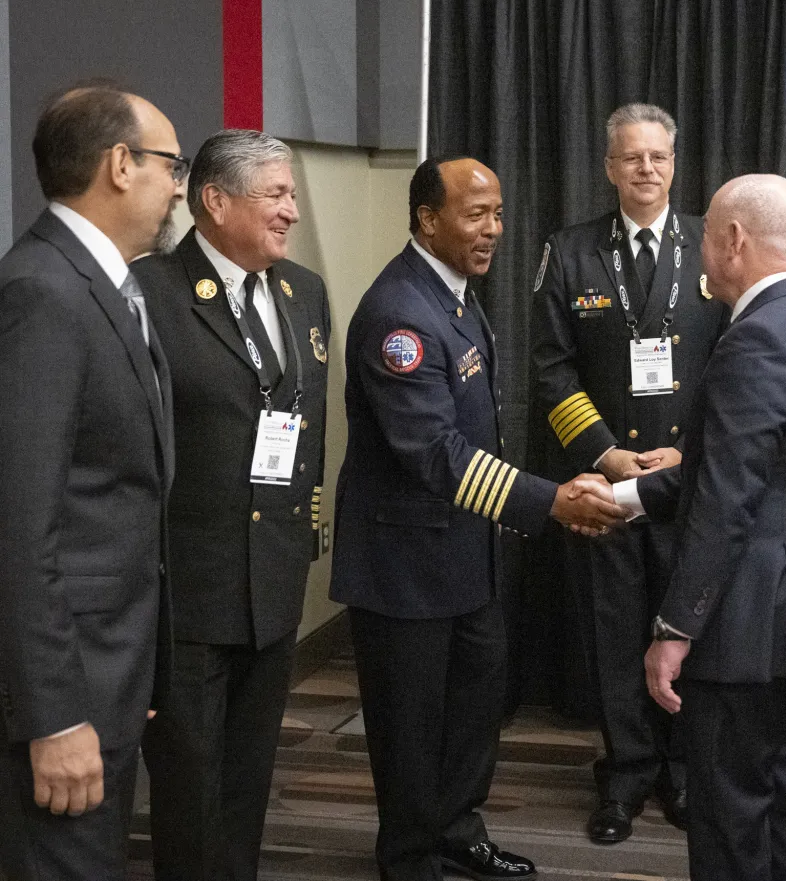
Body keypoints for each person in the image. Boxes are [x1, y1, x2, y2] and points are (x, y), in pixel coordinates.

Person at [330, 155, 627, 881]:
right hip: (405, 571)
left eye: (497, 213)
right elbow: (434, 452)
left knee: (470, 715)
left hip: (468, 555)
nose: (493, 229)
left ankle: (458, 831)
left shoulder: (454, 295)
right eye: (475, 214)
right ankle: (407, 860)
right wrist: (550, 500)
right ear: (428, 219)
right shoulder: (401, 313)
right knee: (411, 730)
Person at [620, 174, 786, 881]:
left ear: (733, 240)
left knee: (731, 817)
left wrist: (674, 627)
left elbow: (728, 501)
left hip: (747, 621)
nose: (699, 254)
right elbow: (774, 473)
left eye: (703, 239)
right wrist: (630, 496)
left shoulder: (753, 340)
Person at [133, 129, 328, 881]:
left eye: (290, 193)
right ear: (214, 200)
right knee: (189, 787)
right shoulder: (148, 292)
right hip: (186, 592)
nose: (291, 212)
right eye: (275, 194)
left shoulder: (302, 291)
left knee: (249, 782)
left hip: (271, 590)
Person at [0, 82, 183, 880]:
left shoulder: (111, 283)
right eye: (172, 164)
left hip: (111, 666)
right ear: (120, 164)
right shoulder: (43, 292)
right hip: (67, 691)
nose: (181, 185)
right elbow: (19, 521)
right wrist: (55, 714)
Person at [530, 103, 726, 842]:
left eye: (659, 157)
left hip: (686, 478)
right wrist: (607, 452)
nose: (647, 168)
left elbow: (735, 358)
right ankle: (625, 775)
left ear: (675, 163)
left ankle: (681, 772)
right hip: (608, 480)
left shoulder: (712, 241)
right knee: (614, 632)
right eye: (632, 157)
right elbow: (551, 372)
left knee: (688, 626)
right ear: (608, 166)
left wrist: (690, 448)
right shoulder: (570, 251)